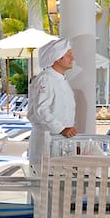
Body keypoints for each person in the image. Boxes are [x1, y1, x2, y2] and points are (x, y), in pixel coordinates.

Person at [27, 39, 79, 170]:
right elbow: (41, 110)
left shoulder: (60, 79)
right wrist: (62, 129)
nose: (72, 58)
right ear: (57, 59)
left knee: (57, 185)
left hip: (58, 142)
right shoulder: (46, 79)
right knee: (44, 185)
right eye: (68, 54)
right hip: (46, 141)